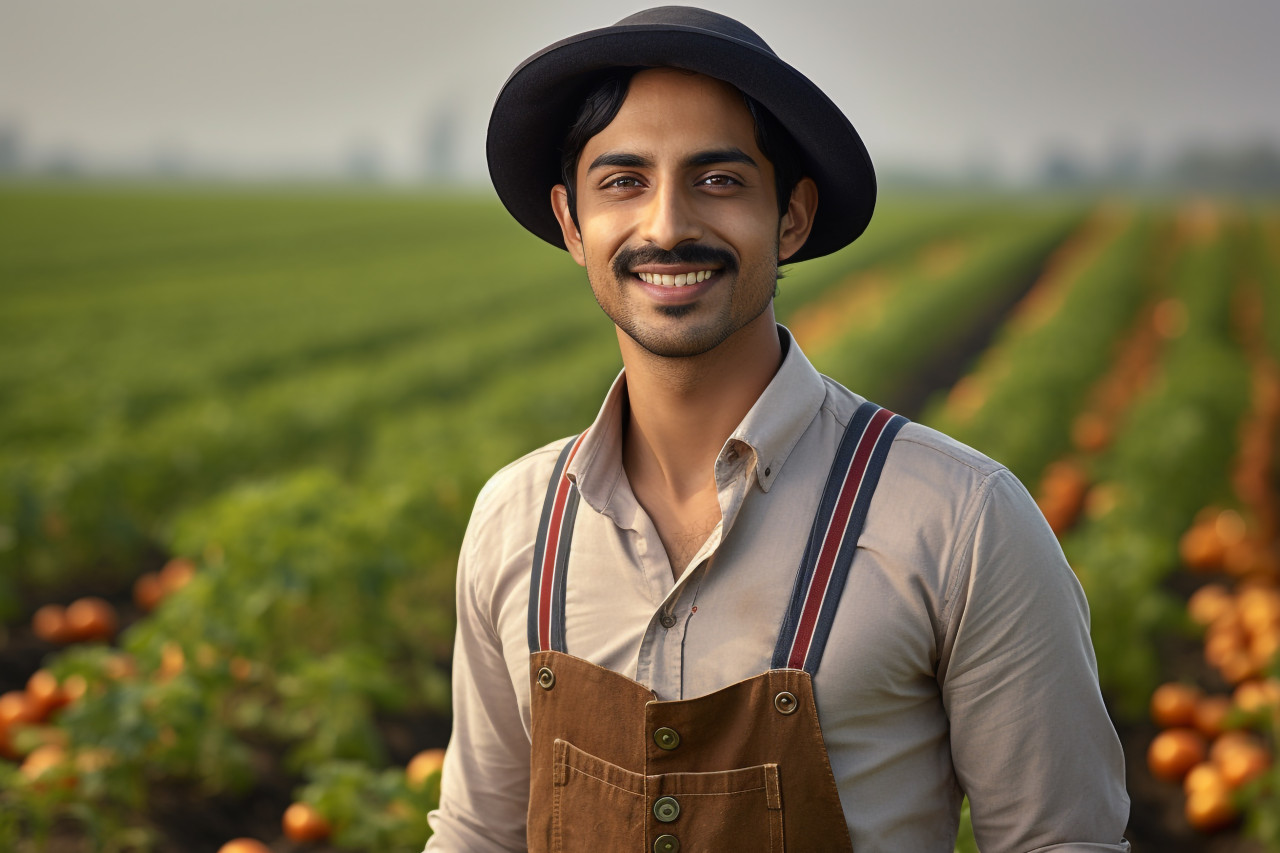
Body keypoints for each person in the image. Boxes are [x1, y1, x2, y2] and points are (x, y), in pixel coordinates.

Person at [426, 7, 1130, 852]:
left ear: (791, 217)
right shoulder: (516, 521)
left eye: (718, 180)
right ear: (573, 223)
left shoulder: (960, 521)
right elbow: (478, 835)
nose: (666, 226)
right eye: (623, 182)